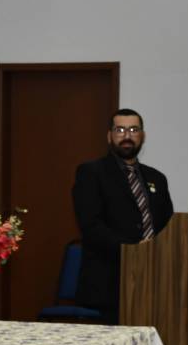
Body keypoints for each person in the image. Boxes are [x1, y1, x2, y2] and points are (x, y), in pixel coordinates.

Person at [72, 108, 174, 324]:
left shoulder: (157, 178)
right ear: (109, 136)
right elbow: (91, 227)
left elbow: (168, 223)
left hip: (154, 280)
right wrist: (134, 250)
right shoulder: (90, 173)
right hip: (109, 284)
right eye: (120, 130)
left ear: (143, 136)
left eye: (134, 130)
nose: (127, 136)